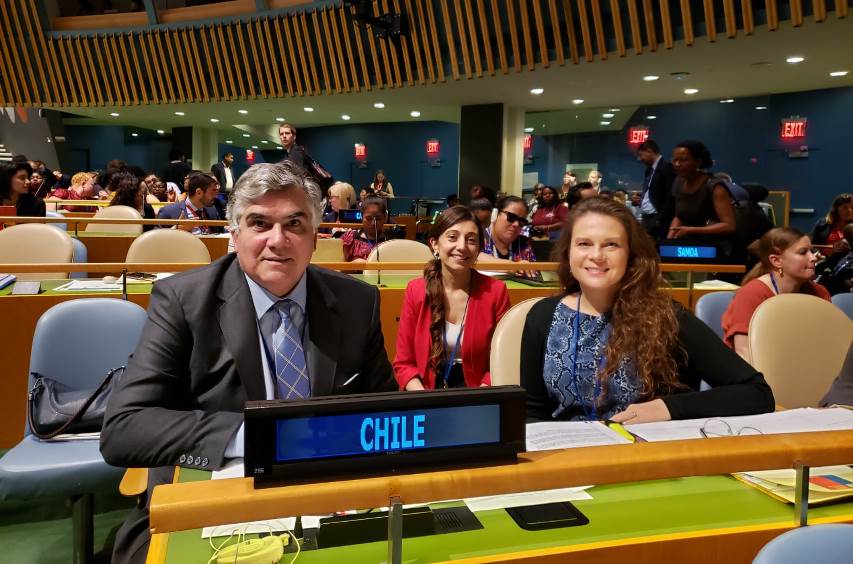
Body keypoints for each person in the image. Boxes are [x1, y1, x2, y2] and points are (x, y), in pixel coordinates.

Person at [100, 161, 396, 563]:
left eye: (295, 224)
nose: (278, 240)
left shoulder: (357, 302)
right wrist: (258, 435)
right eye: (259, 223)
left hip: (329, 498)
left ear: (314, 236)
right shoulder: (183, 302)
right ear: (234, 235)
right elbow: (124, 429)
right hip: (217, 499)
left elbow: (387, 411)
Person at [521, 197, 774, 423]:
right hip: (566, 460)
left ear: (631, 254)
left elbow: (756, 393)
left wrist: (668, 407)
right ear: (568, 252)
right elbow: (531, 413)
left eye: (611, 245)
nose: (596, 255)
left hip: (645, 458)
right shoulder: (542, 316)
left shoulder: (666, 316)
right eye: (584, 243)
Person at [394, 206, 510, 390]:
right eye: (452, 237)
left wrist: (480, 399)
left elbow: (502, 361)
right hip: (425, 390)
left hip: (478, 392)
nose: (462, 246)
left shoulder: (496, 291)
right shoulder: (415, 290)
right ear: (434, 244)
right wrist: (425, 402)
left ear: (479, 248)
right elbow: (404, 364)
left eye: (471, 240)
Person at [722, 227, 830, 361]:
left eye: (812, 251)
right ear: (776, 261)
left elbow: (828, 343)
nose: (813, 257)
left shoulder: (820, 293)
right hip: (756, 375)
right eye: (803, 253)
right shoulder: (751, 294)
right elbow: (744, 353)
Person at [668, 140, 737, 252]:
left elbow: (729, 225)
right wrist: (670, 239)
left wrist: (691, 230)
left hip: (714, 248)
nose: (677, 164)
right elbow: (679, 215)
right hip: (688, 246)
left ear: (698, 162)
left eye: (683, 160)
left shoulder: (715, 186)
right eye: (674, 160)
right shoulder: (678, 182)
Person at [635, 139, 676, 240]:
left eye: (641, 155)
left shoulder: (667, 168)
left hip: (658, 219)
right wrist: (641, 200)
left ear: (649, 151)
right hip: (647, 218)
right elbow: (652, 192)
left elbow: (670, 196)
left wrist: (661, 219)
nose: (639, 159)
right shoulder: (649, 170)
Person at [158, 172, 222, 234]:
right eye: (213, 191)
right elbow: (156, 241)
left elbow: (220, 233)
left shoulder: (212, 210)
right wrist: (177, 229)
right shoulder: (168, 212)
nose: (216, 196)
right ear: (199, 192)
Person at [479, 195, 536, 263]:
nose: (516, 224)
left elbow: (533, 270)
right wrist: (512, 266)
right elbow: (474, 258)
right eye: (511, 217)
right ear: (495, 214)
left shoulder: (523, 243)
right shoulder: (478, 239)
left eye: (521, 221)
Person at [341, 196, 388, 261]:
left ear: (385, 217)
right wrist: (353, 265)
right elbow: (338, 268)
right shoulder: (350, 238)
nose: (373, 223)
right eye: (368, 218)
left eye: (378, 218)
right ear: (361, 217)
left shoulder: (390, 240)